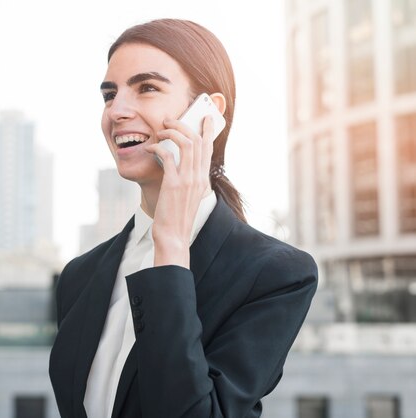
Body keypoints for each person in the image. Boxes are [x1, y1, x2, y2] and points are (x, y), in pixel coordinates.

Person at [49, 18, 318, 418]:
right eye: (110, 94)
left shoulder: (276, 275)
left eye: (147, 88)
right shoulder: (79, 276)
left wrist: (171, 245)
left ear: (207, 113)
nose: (117, 110)